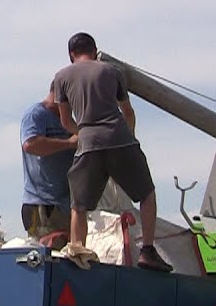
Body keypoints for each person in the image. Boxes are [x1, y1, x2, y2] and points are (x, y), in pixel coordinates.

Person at [50, 32, 172, 271]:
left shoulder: (61, 77)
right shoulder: (111, 71)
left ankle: (78, 252)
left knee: (79, 206)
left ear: (70, 55)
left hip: (87, 144)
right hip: (119, 138)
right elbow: (128, 112)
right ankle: (147, 251)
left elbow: (65, 121)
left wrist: (84, 132)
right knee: (147, 194)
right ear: (95, 50)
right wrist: (129, 141)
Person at [20, 92, 76, 246]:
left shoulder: (68, 122)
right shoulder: (36, 115)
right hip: (42, 206)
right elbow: (30, 144)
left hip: (63, 206)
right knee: (50, 259)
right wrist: (69, 143)